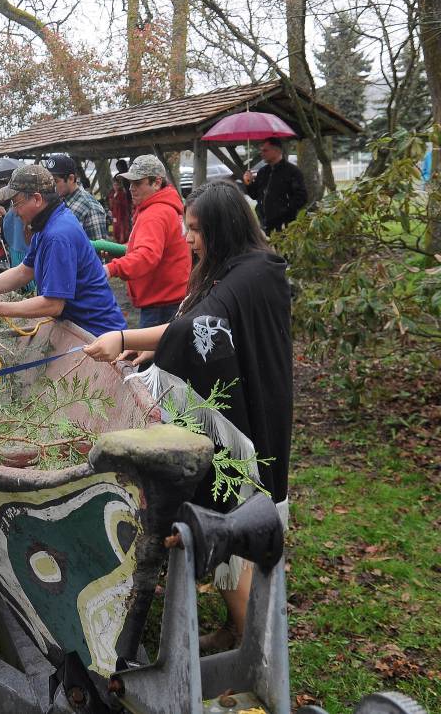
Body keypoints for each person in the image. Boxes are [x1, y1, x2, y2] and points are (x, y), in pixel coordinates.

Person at [84, 179, 292, 652]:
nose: (187, 237)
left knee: (233, 522)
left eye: (195, 229)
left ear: (223, 227)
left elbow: (197, 330)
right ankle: (238, 629)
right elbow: (194, 332)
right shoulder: (232, 269)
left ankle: (254, 651)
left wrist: (122, 339)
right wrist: (153, 358)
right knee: (216, 513)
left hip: (249, 420)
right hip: (231, 411)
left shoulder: (255, 273)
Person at [0, 164, 126, 336]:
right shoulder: (45, 225)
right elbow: (23, 272)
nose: (14, 211)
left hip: (98, 333)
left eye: (16, 203)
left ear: (37, 199)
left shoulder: (57, 236)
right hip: (78, 329)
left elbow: (53, 304)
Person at [105, 154, 190, 327]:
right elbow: (158, 248)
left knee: (152, 354)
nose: (130, 188)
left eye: (137, 183)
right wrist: (123, 250)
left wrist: (110, 268)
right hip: (173, 298)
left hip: (160, 305)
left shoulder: (154, 214)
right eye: (130, 183)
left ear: (156, 182)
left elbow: (147, 255)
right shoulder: (168, 207)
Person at [243, 137, 307, 233]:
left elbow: (301, 198)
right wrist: (248, 183)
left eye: (265, 150)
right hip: (266, 225)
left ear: (277, 151)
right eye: (261, 151)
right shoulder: (263, 172)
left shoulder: (292, 171)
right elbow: (254, 195)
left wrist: (284, 213)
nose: (262, 153)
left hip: (286, 227)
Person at [46, 153, 108, 240]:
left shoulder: (90, 208)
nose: (51, 185)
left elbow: (97, 249)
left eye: (55, 181)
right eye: (49, 181)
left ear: (71, 178)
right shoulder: (55, 201)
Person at [107, 160, 132, 244]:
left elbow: (127, 196)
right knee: (116, 230)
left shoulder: (128, 177)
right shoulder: (117, 177)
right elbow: (111, 203)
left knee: (124, 230)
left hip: (125, 209)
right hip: (116, 213)